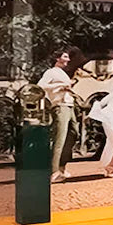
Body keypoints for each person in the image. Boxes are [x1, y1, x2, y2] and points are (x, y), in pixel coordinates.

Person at [38, 48, 78, 183]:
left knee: (73, 134)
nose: (68, 59)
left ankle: (62, 167)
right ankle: (53, 172)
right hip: (60, 106)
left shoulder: (62, 73)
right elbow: (41, 86)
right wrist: (61, 85)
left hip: (69, 105)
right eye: (65, 57)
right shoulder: (51, 72)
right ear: (57, 58)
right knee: (59, 138)